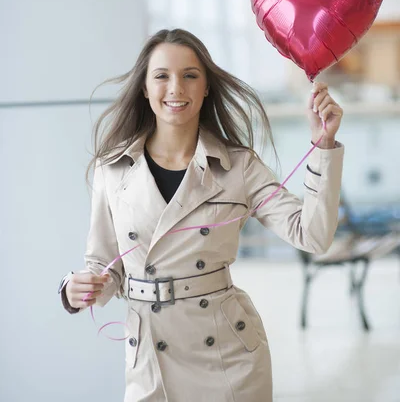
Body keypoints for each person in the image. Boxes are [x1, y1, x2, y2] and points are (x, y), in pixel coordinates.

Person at [58, 28, 344, 402]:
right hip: (150, 360)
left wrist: (323, 144)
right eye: (161, 76)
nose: (176, 88)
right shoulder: (112, 169)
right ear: (144, 88)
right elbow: (105, 264)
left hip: (229, 358)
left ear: (207, 86)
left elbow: (313, 235)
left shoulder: (238, 166)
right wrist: (79, 288)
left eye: (190, 75)